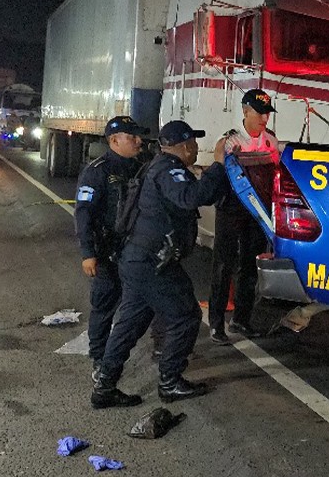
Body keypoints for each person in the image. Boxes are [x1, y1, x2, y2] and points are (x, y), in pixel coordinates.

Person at [91, 120, 228, 408]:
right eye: (193, 143)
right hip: (152, 262)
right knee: (186, 315)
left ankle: (104, 388)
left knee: (130, 324)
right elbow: (190, 198)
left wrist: (208, 176)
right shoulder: (168, 169)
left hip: (138, 260)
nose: (195, 148)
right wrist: (218, 165)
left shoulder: (161, 167)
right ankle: (170, 382)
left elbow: (202, 192)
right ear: (184, 145)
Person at [74, 116, 165, 381]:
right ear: (114, 140)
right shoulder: (97, 171)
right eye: (132, 136)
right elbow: (84, 213)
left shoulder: (141, 167)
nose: (139, 141)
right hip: (106, 251)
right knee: (105, 304)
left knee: (144, 301)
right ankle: (100, 358)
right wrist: (87, 253)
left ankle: (155, 347)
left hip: (135, 251)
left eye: (138, 136)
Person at [207, 89, 280, 344]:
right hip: (231, 208)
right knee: (223, 265)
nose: (264, 120)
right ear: (245, 112)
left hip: (257, 211)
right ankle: (216, 324)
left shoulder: (270, 140)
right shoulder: (230, 140)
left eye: (267, 115)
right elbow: (217, 170)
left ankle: (241, 319)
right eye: (260, 114)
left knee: (250, 265)